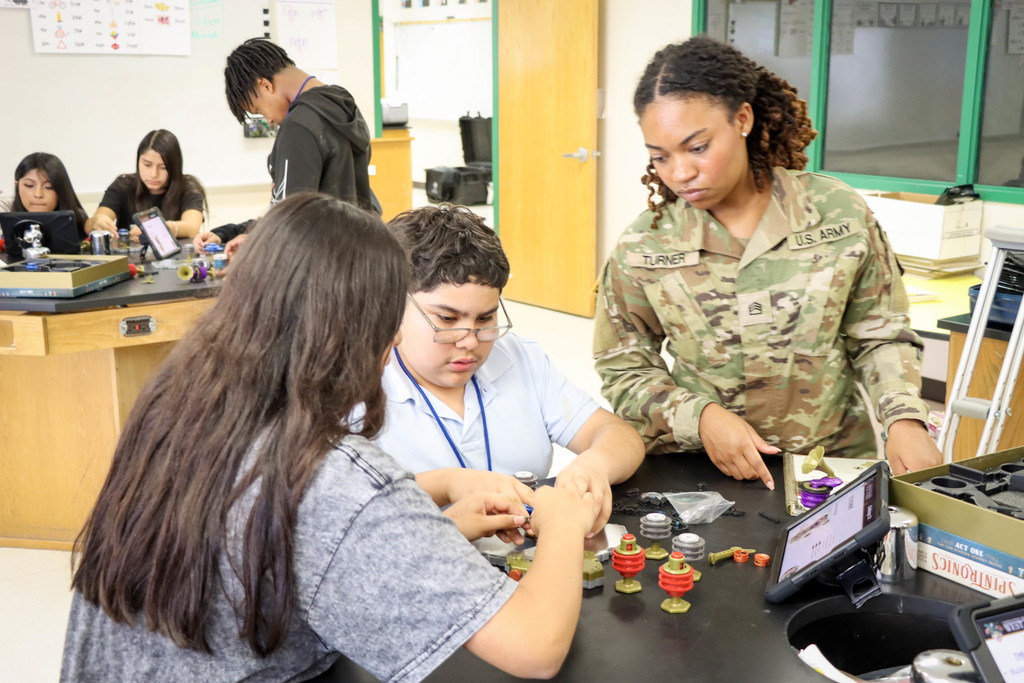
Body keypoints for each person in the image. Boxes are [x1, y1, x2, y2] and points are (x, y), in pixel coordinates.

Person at [62, 193, 597, 681]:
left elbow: (296, 553)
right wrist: (564, 521)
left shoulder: (177, 411)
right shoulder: (337, 476)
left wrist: (431, 521)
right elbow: (536, 647)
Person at [593, 36, 942, 488]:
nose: (680, 173)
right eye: (660, 157)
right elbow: (624, 368)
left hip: (827, 466)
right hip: (703, 474)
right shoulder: (645, 245)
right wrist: (700, 417)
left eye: (697, 147)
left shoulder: (836, 213)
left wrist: (904, 419)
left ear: (742, 119)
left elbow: (880, 334)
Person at [378, 204, 645, 535]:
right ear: (392, 303)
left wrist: (594, 466)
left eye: (486, 318)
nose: (469, 341)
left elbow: (619, 435)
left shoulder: (518, 359)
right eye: (447, 319)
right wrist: (445, 485)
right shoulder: (355, 385)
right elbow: (340, 507)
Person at [192, 38, 379, 255]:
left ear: (265, 85)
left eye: (258, 110)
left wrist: (249, 250)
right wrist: (231, 232)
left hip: (320, 262)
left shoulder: (298, 125)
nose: (269, 120)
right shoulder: (345, 107)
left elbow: (289, 223)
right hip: (361, 253)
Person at [85, 129, 206, 240]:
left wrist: (155, 228)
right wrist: (97, 222)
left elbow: (191, 228)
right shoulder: (123, 185)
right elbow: (95, 221)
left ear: (175, 167)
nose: (154, 174)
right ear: (138, 161)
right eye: (147, 165)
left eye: (163, 167)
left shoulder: (188, 187)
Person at [2, 152, 88, 238]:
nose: (38, 194)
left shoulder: (79, 222)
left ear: (61, 189)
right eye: (29, 185)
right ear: (17, 187)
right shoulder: (7, 210)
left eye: (48, 187)